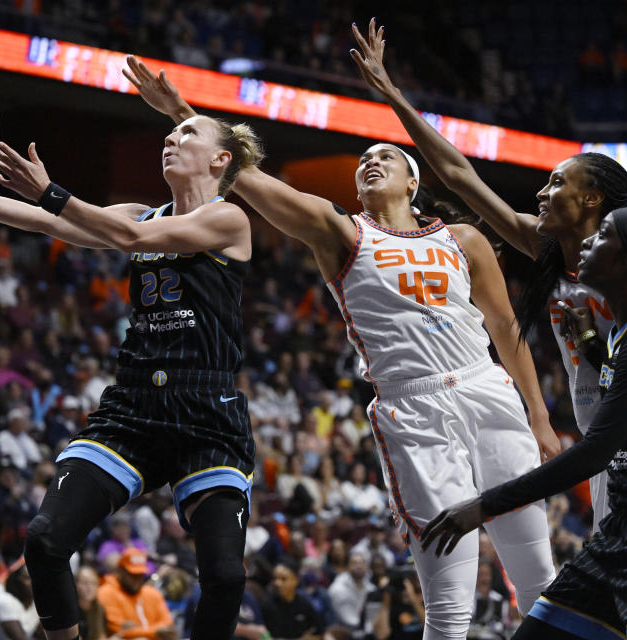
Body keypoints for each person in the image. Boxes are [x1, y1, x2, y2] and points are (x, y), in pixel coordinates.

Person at [126, 53, 558, 635]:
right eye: (363, 160)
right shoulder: (342, 231)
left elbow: (506, 330)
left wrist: (539, 417)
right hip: (415, 407)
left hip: (488, 389)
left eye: (386, 157)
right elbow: (250, 181)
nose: (371, 162)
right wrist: (181, 112)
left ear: (414, 181)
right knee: (451, 602)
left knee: (538, 579)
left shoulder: (464, 238)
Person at [349, 19, 627, 535]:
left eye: (556, 183)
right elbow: (459, 176)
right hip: (602, 444)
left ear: (591, 199)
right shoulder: (546, 248)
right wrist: (393, 96)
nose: (541, 193)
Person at [0, 97, 264, 640]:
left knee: (224, 576)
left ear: (220, 160)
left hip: (207, 415)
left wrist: (51, 191)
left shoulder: (229, 218)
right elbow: (47, 222)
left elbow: (131, 240)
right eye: (170, 134)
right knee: (44, 543)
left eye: (188, 133)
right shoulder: (139, 213)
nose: (171, 138)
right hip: (135, 409)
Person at [421, 207, 627, 639]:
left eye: (604, 234)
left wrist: (483, 506)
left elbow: (595, 452)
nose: (587, 242)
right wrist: (591, 344)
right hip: (624, 531)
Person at [96, 548, 174, 640]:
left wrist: (149, 632)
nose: (137, 580)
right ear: (120, 571)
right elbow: (119, 630)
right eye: (133, 575)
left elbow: (168, 625)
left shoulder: (152, 593)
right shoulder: (106, 593)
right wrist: (156, 632)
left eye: (140, 575)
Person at [261, 560, 324, 640]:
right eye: (275, 578)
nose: (277, 583)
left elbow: (319, 633)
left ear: (296, 580)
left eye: (283, 579)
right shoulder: (266, 605)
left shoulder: (304, 604)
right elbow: (260, 636)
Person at [0, 565, 41, 640]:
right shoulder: (5, 600)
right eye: (28, 578)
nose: (34, 582)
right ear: (18, 581)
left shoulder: (37, 605)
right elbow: (20, 638)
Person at [74, 567, 107, 640]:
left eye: (94, 583)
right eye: (85, 583)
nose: (89, 588)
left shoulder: (99, 609)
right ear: (75, 585)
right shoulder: (69, 609)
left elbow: (101, 636)